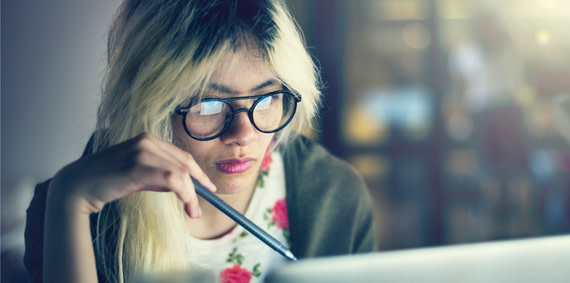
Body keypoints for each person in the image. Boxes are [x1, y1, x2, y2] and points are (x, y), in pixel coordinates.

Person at [24, 1, 378, 282]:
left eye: (267, 98)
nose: (243, 134)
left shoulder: (336, 195)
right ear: (152, 106)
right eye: (208, 104)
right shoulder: (68, 208)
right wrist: (69, 200)